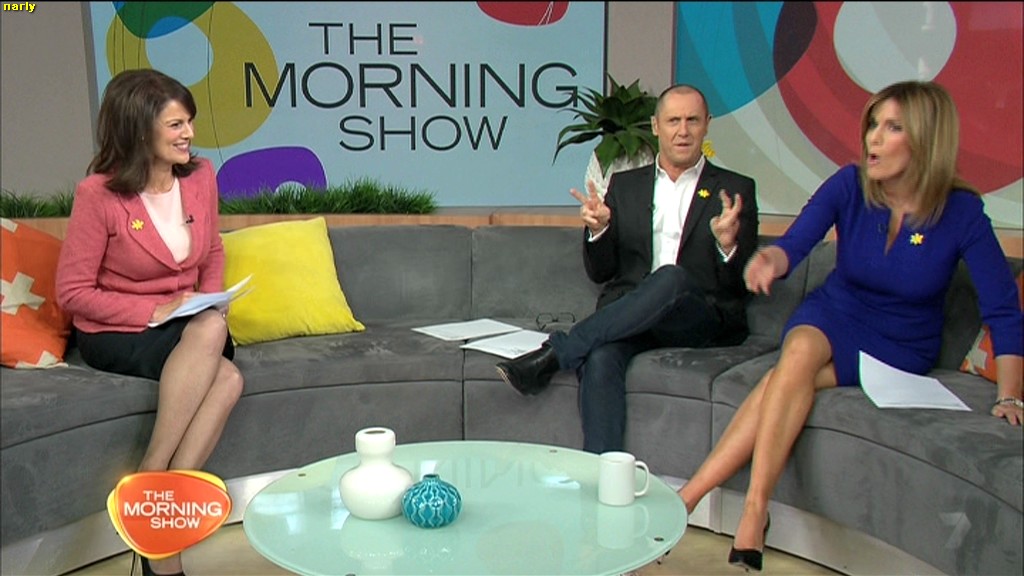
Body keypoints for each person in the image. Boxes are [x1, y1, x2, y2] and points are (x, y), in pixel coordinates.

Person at [678, 80, 1023, 572]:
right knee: (798, 353)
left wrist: (1010, 396)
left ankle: (688, 497)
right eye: (872, 125)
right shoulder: (849, 184)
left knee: (781, 380)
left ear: (926, 139)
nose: (873, 139)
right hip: (834, 312)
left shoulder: (962, 211)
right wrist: (770, 260)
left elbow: (1003, 308)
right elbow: (795, 243)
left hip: (900, 343)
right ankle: (751, 509)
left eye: (892, 128)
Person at [496, 84, 759, 454]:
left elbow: (739, 287)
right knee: (601, 356)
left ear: (707, 125)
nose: (683, 131)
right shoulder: (625, 186)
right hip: (635, 318)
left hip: (697, 318)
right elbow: (601, 272)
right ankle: (604, 471)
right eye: (673, 121)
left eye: (692, 120)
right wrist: (599, 231)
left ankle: (557, 353)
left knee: (671, 277)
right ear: (655, 126)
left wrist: (727, 246)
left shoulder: (733, 189)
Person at [56, 68, 243, 576]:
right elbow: (72, 292)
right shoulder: (98, 195)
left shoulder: (200, 176)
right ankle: (154, 479)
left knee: (225, 366)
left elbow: (212, 249)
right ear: (140, 131)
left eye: (189, 122)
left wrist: (212, 298)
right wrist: (151, 311)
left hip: (186, 323)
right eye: (176, 125)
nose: (189, 134)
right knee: (222, 363)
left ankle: (152, 507)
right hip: (117, 330)